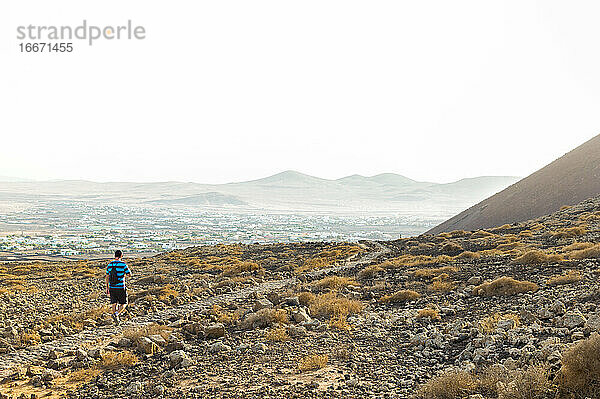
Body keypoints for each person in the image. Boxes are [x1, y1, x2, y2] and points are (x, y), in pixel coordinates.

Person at [106, 250, 131, 325]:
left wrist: (107, 288)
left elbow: (107, 277)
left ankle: (116, 320)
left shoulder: (109, 265)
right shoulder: (123, 264)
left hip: (112, 287)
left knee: (114, 303)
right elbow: (129, 274)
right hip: (120, 287)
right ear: (121, 256)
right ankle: (116, 314)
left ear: (114, 256)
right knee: (124, 303)